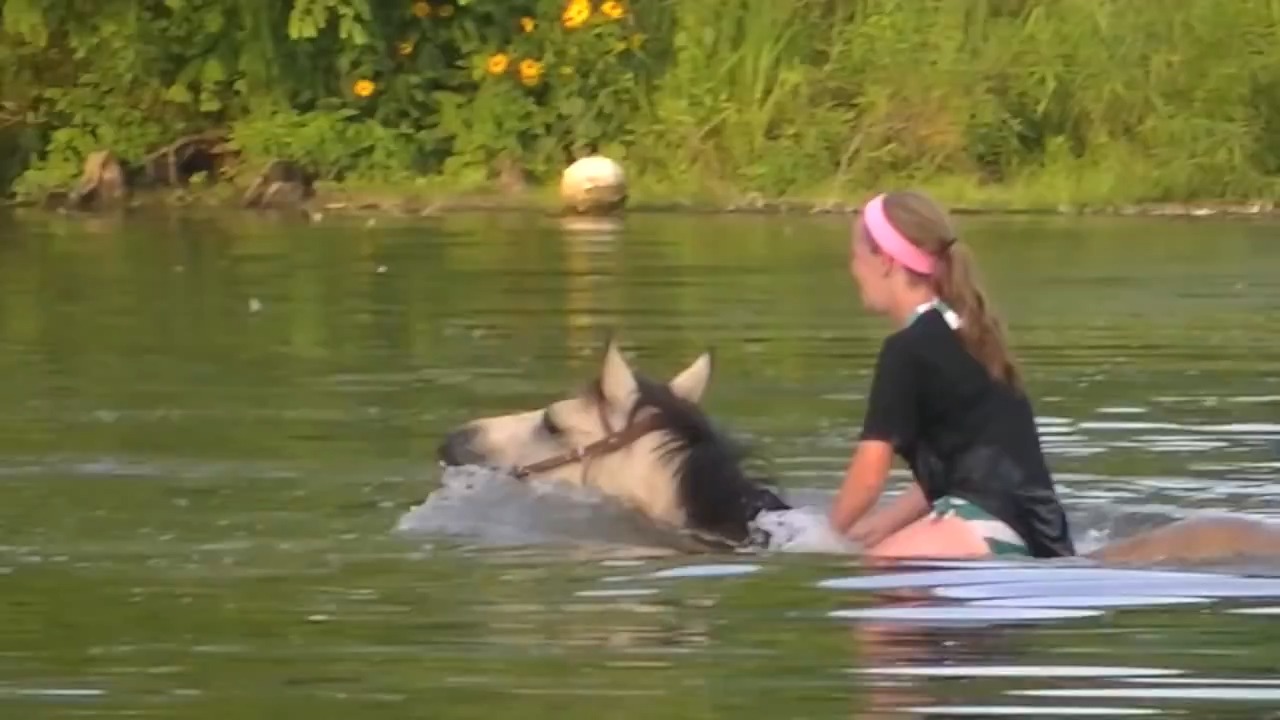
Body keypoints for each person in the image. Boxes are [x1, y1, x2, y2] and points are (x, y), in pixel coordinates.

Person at [828, 190, 1076, 559]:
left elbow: (867, 480)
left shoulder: (905, 350)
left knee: (877, 573)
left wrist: (821, 536)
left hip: (983, 523)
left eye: (856, 256)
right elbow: (969, 461)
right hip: (1037, 530)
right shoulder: (974, 335)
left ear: (884, 261)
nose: (851, 269)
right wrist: (887, 521)